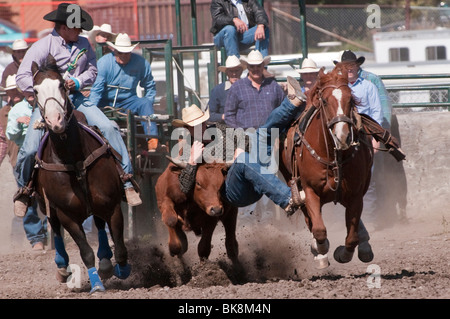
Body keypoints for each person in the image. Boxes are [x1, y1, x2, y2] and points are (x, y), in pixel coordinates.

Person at [13, 3, 142, 218]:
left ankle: (126, 180)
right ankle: (25, 190)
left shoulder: (83, 43)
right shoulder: (42, 46)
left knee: (109, 128)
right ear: (64, 27)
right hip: (50, 103)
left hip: (77, 99)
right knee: (28, 149)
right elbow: (22, 77)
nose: (81, 31)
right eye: (77, 27)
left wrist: (78, 81)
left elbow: (92, 69)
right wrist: (46, 87)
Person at [173, 76, 307, 216]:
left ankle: (291, 103)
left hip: (252, 176)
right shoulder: (188, 148)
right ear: (188, 129)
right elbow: (184, 187)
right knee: (242, 161)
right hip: (232, 191)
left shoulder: (218, 129)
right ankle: (287, 198)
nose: (201, 127)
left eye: (202, 123)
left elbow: (244, 139)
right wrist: (192, 161)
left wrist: (240, 148)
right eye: (195, 126)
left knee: (263, 132)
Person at [334, 50, 384, 223]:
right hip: (341, 136)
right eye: (345, 66)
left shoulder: (368, 86)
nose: (349, 69)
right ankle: (346, 221)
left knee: (365, 179)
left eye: (352, 66)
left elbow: (377, 113)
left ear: (357, 67)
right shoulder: (336, 89)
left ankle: (369, 220)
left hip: (364, 137)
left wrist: (376, 138)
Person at [89, 33, 159, 152]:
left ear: (130, 51)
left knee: (145, 103)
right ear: (114, 50)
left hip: (129, 101)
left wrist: (149, 105)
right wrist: (91, 111)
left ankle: (152, 140)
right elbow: (97, 90)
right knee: (92, 111)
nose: (122, 56)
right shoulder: (104, 63)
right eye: (119, 52)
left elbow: (150, 86)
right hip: (105, 101)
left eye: (125, 53)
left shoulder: (141, 63)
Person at [4, 74, 47, 251]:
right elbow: (10, 135)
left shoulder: (46, 104)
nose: (30, 94)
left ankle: (49, 232)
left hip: (45, 155)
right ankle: (36, 238)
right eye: (27, 91)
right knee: (27, 195)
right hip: (25, 156)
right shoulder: (16, 111)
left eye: (33, 91)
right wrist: (18, 123)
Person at [224, 50, 284, 129]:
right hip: (246, 135)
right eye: (252, 66)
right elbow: (229, 114)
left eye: (258, 65)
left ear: (263, 66)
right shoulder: (236, 87)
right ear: (248, 67)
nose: (255, 69)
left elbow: (282, 109)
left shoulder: (273, 86)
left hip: (271, 133)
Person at [0, 39, 29, 167]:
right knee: (7, 137)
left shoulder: (33, 66)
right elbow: (4, 88)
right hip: (12, 106)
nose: (21, 54)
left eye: (23, 51)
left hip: (29, 104)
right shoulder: (9, 69)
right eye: (18, 52)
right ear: (14, 53)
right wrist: (12, 96)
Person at [208, 55, 245, 124]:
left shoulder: (248, 88)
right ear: (227, 72)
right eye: (231, 71)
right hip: (226, 129)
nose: (234, 74)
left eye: (237, 70)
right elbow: (209, 115)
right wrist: (224, 116)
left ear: (241, 71)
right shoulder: (218, 90)